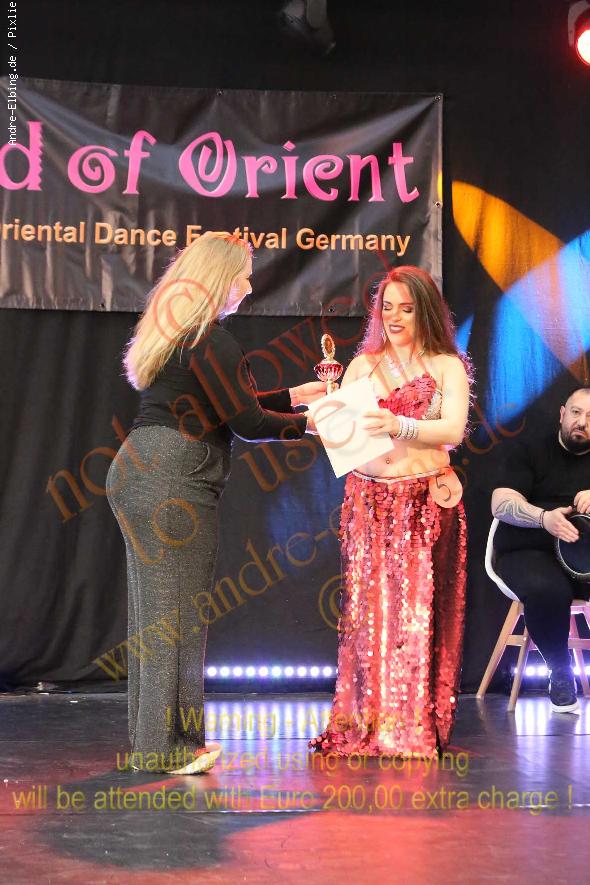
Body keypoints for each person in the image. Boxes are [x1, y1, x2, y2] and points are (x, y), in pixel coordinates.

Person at [106, 232, 324, 775]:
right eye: (244, 275)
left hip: (141, 471)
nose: (248, 286)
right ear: (222, 278)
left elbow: (226, 406)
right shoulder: (213, 339)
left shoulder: (184, 334)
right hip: (172, 478)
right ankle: (166, 748)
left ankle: (159, 741)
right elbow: (245, 421)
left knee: (159, 614)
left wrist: (294, 397)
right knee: (176, 616)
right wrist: (309, 425)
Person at [310, 266, 471, 759]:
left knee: (416, 616)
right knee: (369, 618)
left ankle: (411, 728)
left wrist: (400, 425)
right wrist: (324, 420)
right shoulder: (362, 365)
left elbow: (453, 430)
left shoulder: (446, 365)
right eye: (387, 307)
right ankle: (367, 723)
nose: (395, 317)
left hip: (422, 504)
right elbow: (345, 435)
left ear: (426, 312)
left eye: (407, 308)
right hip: (369, 502)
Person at [491, 387, 590, 713]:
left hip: (584, 557)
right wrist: (543, 518)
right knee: (547, 589)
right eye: (576, 412)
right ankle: (560, 671)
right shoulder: (530, 449)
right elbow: (501, 503)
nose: (582, 422)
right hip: (529, 550)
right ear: (562, 414)